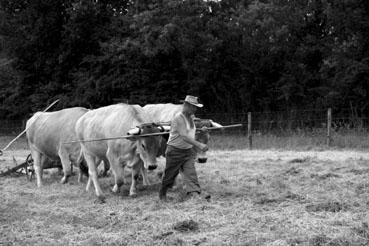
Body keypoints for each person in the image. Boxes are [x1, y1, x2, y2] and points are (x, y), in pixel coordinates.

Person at [159, 95, 210, 201]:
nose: (195, 109)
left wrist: (201, 130)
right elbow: (184, 135)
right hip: (175, 151)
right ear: (186, 105)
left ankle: (195, 193)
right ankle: (162, 194)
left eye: (196, 107)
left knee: (190, 172)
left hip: (188, 151)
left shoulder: (191, 117)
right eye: (193, 107)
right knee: (170, 175)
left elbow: (190, 132)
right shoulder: (179, 118)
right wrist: (199, 145)